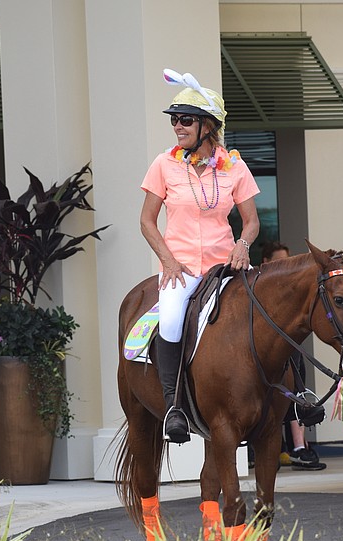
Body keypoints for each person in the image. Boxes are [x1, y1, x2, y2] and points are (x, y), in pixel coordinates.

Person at [140, 69, 261, 443]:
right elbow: (146, 221)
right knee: (172, 320)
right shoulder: (164, 164)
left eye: (185, 120)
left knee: (268, 314)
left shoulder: (235, 167)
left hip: (226, 267)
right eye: (175, 120)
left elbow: (252, 221)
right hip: (182, 270)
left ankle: (295, 396)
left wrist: (242, 245)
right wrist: (169, 261)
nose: (177, 126)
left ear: (208, 126)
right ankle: (175, 407)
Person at [261, 242, 325, 471]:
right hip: (261, 349)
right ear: (266, 263)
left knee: (295, 351)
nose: (284, 265)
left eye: (287, 260)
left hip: (284, 346)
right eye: (279, 261)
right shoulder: (260, 283)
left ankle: (299, 445)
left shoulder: (291, 286)